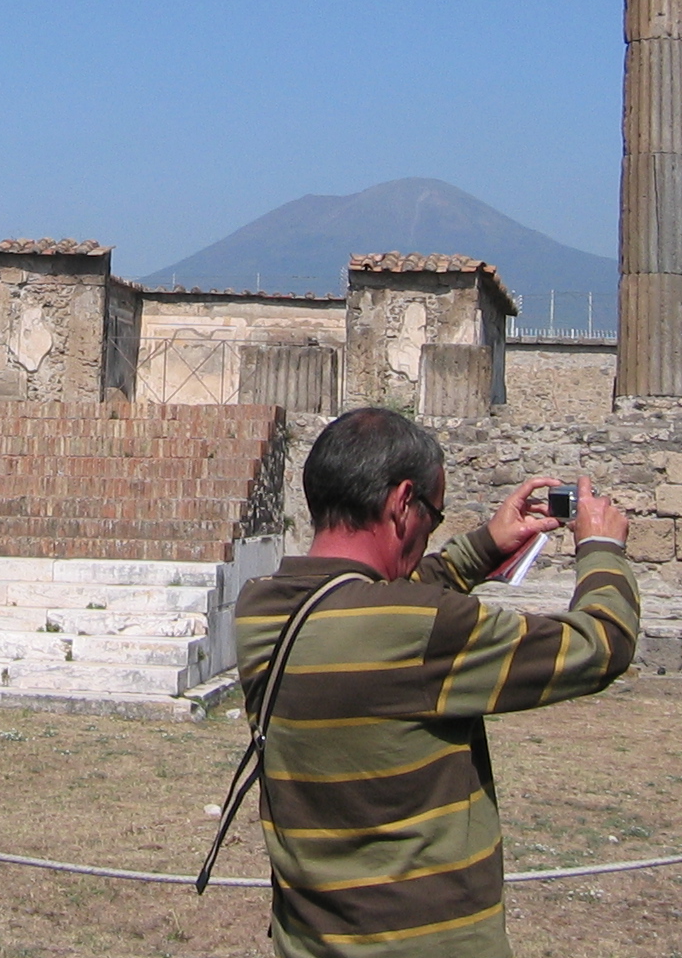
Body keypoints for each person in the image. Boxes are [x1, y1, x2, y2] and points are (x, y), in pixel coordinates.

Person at [232, 406, 638, 957]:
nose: (430, 533)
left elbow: (374, 597)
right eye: (434, 516)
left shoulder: (260, 610)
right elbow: (601, 645)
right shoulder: (421, 628)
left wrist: (484, 546)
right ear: (403, 503)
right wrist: (601, 547)